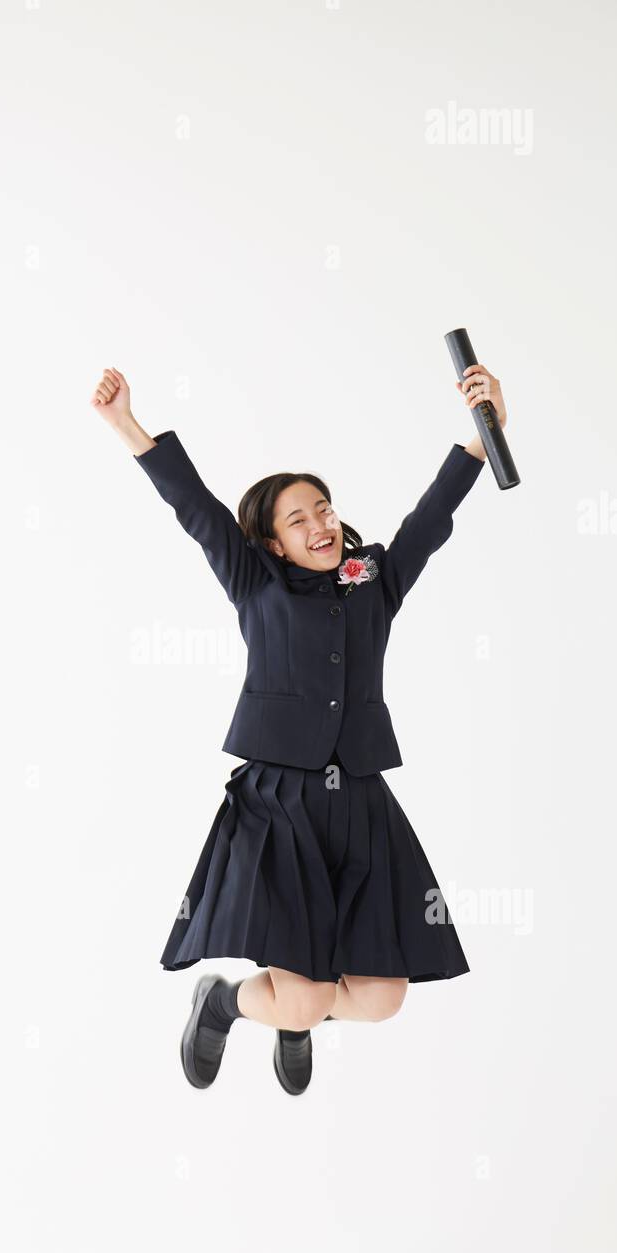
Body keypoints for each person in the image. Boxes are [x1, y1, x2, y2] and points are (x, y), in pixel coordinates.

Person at [91, 363, 507, 1096]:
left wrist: (482, 435)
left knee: (381, 998)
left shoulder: (375, 577)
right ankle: (225, 1000)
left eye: (325, 508)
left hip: (361, 804)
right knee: (308, 996)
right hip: (277, 801)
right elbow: (195, 509)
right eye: (298, 518)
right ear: (273, 544)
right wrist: (130, 426)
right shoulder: (256, 583)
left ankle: (293, 1013)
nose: (321, 524)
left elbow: (429, 523)